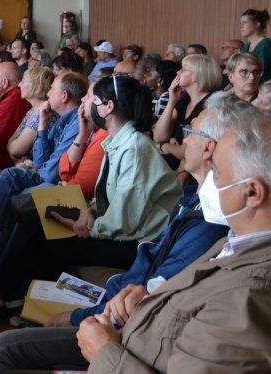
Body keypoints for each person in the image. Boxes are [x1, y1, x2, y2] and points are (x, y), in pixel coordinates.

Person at [0, 100, 271, 371]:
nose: (184, 140)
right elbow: (159, 286)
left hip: (127, 345)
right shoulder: (229, 241)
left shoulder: (242, 283)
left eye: (219, 173)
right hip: (132, 334)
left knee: (5, 349)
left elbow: (160, 294)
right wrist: (134, 294)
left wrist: (103, 349)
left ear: (253, 193)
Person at [44, 93, 241, 329]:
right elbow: (146, 261)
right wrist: (93, 211)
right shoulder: (190, 198)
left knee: (7, 350)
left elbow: (152, 290)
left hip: (129, 321)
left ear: (209, 148)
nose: (184, 140)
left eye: (190, 132)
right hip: (123, 290)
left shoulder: (211, 221)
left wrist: (76, 317)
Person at [0, 75, 181, 306]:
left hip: (139, 243)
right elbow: (116, 198)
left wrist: (87, 227)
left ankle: (2, 298)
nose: (84, 102)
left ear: (108, 107)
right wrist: (90, 211)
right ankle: (22, 300)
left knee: (40, 233)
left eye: (90, 97)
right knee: (34, 217)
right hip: (126, 228)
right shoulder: (120, 140)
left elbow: (124, 219)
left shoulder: (135, 148)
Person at [0, 72, 88, 238]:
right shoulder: (60, 118)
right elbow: (40, 161)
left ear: (64, 96)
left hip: (61, 182)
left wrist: (39, 168)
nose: (48, 93)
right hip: (47, 173)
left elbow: (50, 173)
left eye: (52, 89)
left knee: (15, 192)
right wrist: (43, 123)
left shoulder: (76, 124)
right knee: (10, 175)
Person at [153, 54, 221, 168]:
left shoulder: (211, 104)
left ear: (196, 76)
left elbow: (184, 152)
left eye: (183, 70)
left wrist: (164, 146)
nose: (178, 73)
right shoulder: (183, 101)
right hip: (168, 165)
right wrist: (171, 101)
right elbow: (158, 137)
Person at [5, 66, 57, 163]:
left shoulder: (43, 112)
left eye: (23, 81)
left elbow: (15, 150)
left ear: (37, 86)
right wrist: (12, 148)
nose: (19, 84)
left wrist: (13, 148)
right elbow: (11, 142)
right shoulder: (33, 110)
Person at [240, 8, 271, 83]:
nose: (240, 26)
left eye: (244, 22)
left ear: (257, 24)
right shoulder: (245, 46)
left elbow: (263, 71)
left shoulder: (266, 44)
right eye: (240, 23)